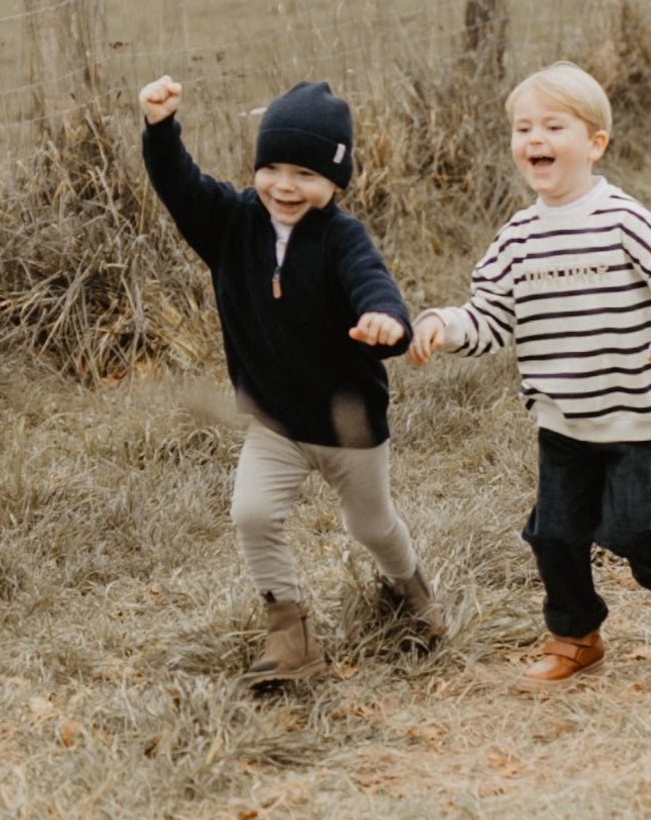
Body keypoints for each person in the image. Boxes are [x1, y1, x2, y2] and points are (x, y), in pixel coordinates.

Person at [409, 62, 651, 684]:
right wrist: (446, 325)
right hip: (564, 416)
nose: (535, 140)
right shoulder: (517, 239)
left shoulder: (623, 219)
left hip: (639, 409)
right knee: (554, 533)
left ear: (594, 144)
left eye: (554, 125)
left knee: (626, 525)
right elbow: (490, 317)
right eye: (524, 128)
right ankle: (575, 635)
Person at [140, 73, 439, 685]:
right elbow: (178, 184)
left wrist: (386, 320)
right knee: (251, 512)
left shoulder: (342, 239)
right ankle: (292, 639)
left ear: (335, 181)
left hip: (348, 422)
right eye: (273, 167)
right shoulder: (228, 223)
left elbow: (372, 282)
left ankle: (412, 594)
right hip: (275, 419)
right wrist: (160, 127)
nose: (286, 185)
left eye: (306, 174)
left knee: (371, 525)